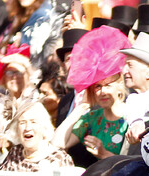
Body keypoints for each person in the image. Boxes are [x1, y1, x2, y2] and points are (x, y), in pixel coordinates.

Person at [53, 26, 131, 166]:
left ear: (120, 84)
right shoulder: (92, 118)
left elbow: (132, 164)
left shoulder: (133, 116)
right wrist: (82, 106)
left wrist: (103, 154)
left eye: (108, 85)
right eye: (98, 87)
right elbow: (57, 143)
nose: (103, 92)